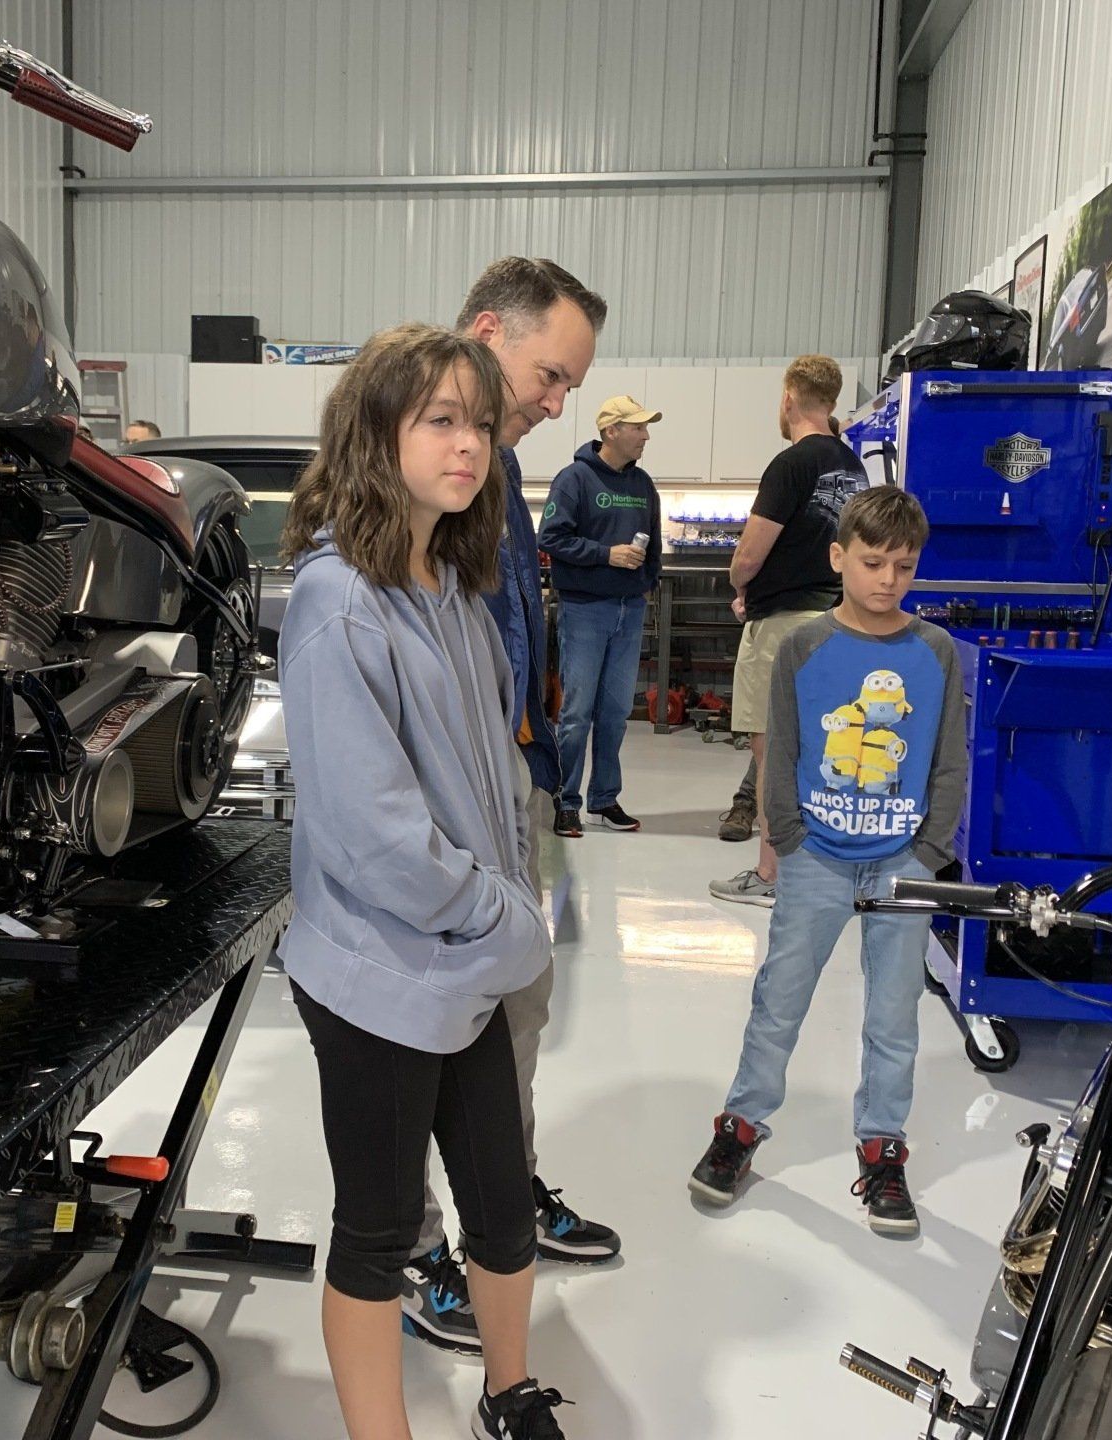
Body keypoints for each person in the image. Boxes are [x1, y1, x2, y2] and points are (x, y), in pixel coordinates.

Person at [277, 323, 569, 1439]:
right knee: (381, 1225)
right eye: (440, 421)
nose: (470, 445)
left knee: (500, 1208)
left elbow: (489, 783)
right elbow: (374, 838)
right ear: (377, 433)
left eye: (480, 425)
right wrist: (509, 921)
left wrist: (504, 916)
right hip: (377, 974)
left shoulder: (453, 590)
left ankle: (509, 1387)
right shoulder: (338, 601)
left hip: (465, 966)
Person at [396, 259, 622, 1361]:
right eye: (550, 373)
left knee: (513, 1017)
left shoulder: (502, 471)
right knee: (415, 1033)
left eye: (569, 384)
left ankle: (502, 1197)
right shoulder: (418, 472)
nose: (557, 399)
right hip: (440, 816)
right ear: (486, 331)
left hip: (510, 788)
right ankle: (412, 1244)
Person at [689, 487, 968, 1240]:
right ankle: (740, 1129)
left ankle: (882, 1149)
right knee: (780, 1001)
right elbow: (780, 748)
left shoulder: (935, 652)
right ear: (839, 557)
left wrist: (931, 849)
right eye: (872, 562)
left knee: (893, 1016)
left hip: (900, 862)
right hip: (818, 857)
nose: (887, 580)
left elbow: (948, 759)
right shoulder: (804, 646)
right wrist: (790, 835)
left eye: (903, 566)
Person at [711, 356, 869, 904]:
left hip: (782, 630)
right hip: (835, 621)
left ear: (788, 399)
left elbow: (749, 554)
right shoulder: (854, 467)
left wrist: (741, 584)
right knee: (825, 749)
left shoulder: (792, 464)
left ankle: (771, 876)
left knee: (773, 752)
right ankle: (819, 874)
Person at [539, 396, 664, 836]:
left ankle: (604, 798)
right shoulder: (574, 480)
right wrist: (606, 555)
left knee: (614, 713)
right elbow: (551, 537)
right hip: (585, 610)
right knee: (576, 713)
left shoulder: (643, 483)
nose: (646, 435)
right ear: (611, 431)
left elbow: (655, 545)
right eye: (638, 428)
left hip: (630, 611)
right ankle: (565, 799)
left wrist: (646, 582)